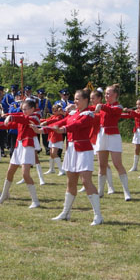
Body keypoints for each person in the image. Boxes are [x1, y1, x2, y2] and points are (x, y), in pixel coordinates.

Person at [44, 88, 102, 225]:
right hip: (71, 150)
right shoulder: (72, 113)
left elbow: (76, 125)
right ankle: (65, 212)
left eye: (77, 99)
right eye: (74, 99)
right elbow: (61, 122)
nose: (75, 101)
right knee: (70, 182)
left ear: (85, 100)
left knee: (86, 182)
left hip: (83, 150)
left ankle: (98, 215)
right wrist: (44, 128)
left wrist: (63, 129)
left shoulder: (89, 114)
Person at [0, 98, 41, 208]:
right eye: (22, 109)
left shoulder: (35, 117)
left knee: (25, 174)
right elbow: (9, 125)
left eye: (25, 109)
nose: (23, 111)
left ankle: (35, 201)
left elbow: (25, 119)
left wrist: (12, 116)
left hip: (28, 146)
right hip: (19, 146)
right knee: (10, 171)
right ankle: (4, 195)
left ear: (33, 109)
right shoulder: (22, 118)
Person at [95, 84, 132, 201]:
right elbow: (93, 110)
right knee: (102, 164)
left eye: (108, 93)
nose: (106, 95)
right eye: (105, 93)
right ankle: (100, 191)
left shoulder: (118, 106)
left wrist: (100, 107)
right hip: (102, 135)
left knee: (117, 164)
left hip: (114, 135)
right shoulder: (103, 106)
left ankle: (126, 192)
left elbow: (112, 111)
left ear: (115, 95)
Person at [42, 104, 67, 175]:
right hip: (52, 136)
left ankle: (61, 170)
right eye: (53, 111)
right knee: (51, 154)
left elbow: (51, 121)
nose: (54, 112)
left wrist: (45, 122)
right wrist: (37, 120)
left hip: (57, 137)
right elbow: (47, 119)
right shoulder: (54, 116)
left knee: (54, 153)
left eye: (56, 111)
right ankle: (51, 169)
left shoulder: (60, 117)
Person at [127, 97, 140, 172]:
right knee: (137, 148)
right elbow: (131, 115)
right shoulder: (136, 111)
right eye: (137, 104)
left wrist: (131, 111)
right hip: (137, 131)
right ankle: (135, 166)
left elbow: (139, 115)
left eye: (139, 104)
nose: (137, 105)